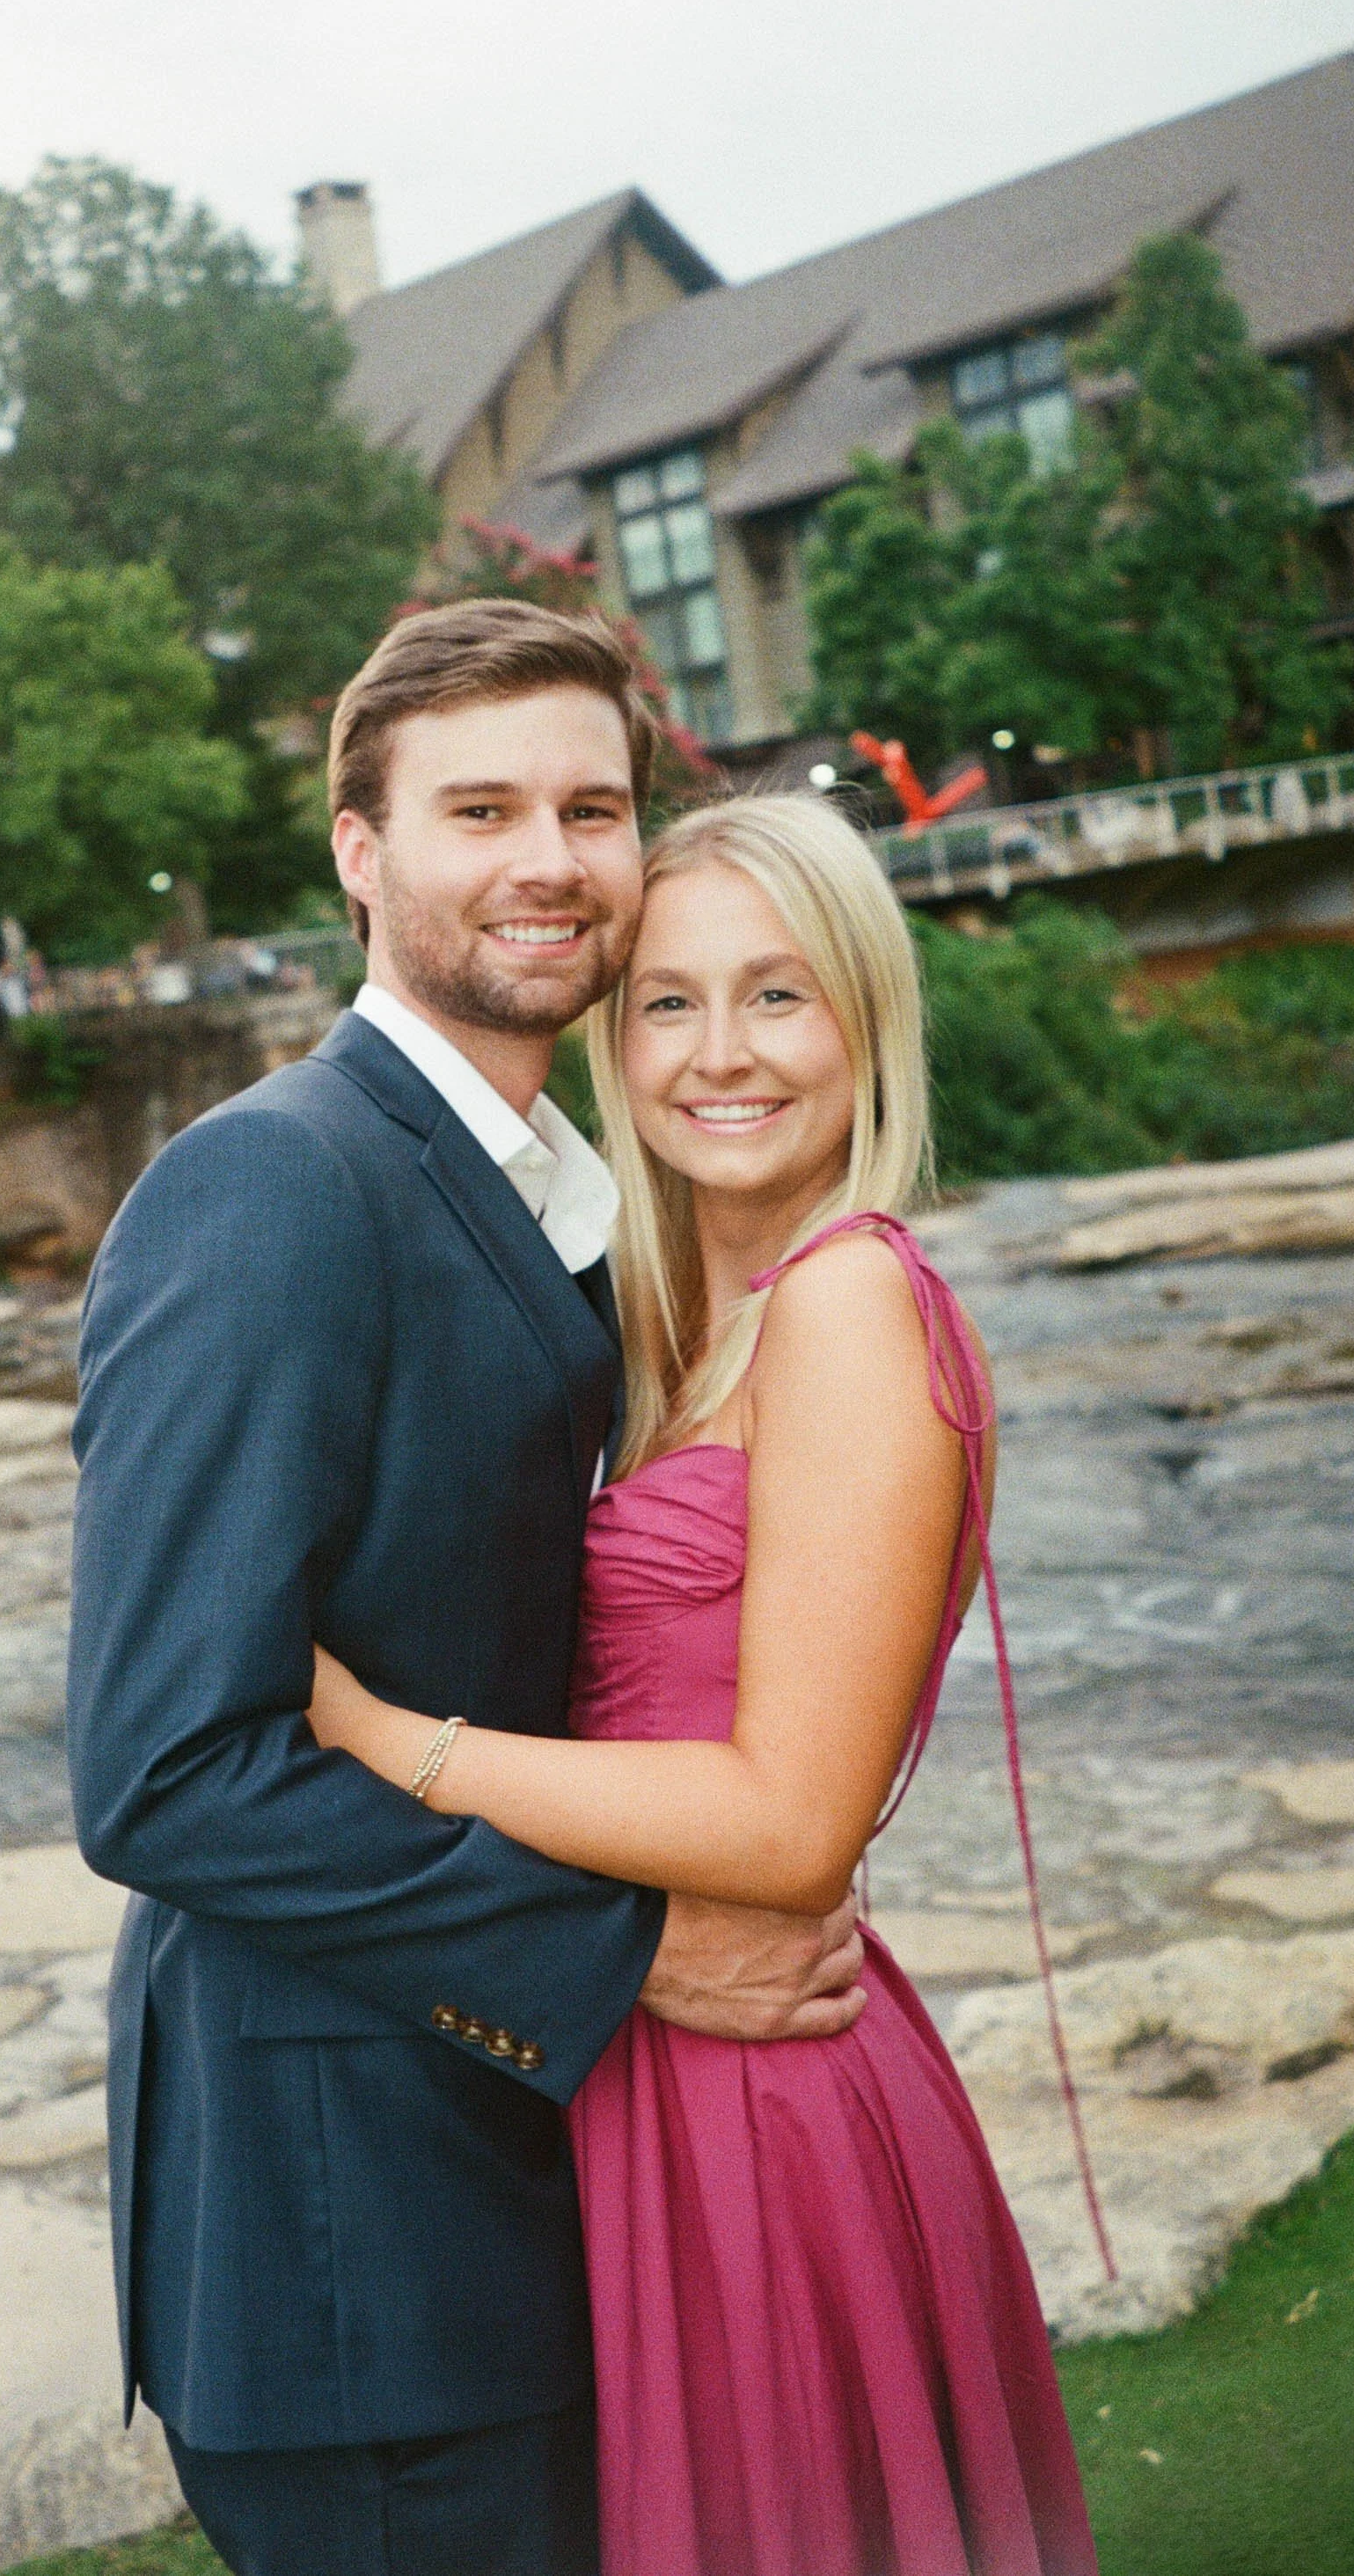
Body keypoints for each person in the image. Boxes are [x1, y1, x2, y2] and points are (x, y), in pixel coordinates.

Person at [65, 602, 866, 2576]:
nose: (545, 860)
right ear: (359, 849)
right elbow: (165, 1773)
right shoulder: (278, 1185)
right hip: (357, 2269)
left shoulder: (548, 1191)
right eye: (477, 807)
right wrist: (626, 1958)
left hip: (503, 2196)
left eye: (589, 808)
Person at [311, 792, 1101, 2576]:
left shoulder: (844, 1305)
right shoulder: (658, 1328)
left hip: (762, 2096)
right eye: (665, 1003)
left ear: (863, 1022)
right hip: (644, 2038)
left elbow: (787, 1811)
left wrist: (384, 1739)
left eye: (777, 996)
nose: (717, 1054)